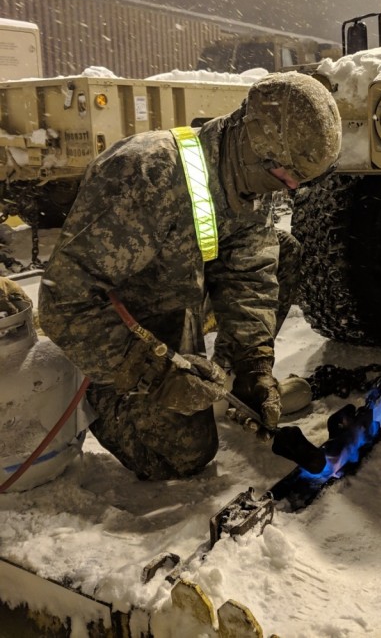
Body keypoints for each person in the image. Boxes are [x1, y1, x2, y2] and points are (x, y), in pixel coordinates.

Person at [38, 72, 341, 481]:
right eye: (285, 178)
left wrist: (254, 363)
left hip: (180, 295)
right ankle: (105, 395)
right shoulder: (146, 174)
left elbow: (250, 274)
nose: (286, 190)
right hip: (120, 325)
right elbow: (64, 302)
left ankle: (224, 385)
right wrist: (155, 373)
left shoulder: (249, 176)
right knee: (182, 456)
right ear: (255, 146)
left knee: (282, 252)